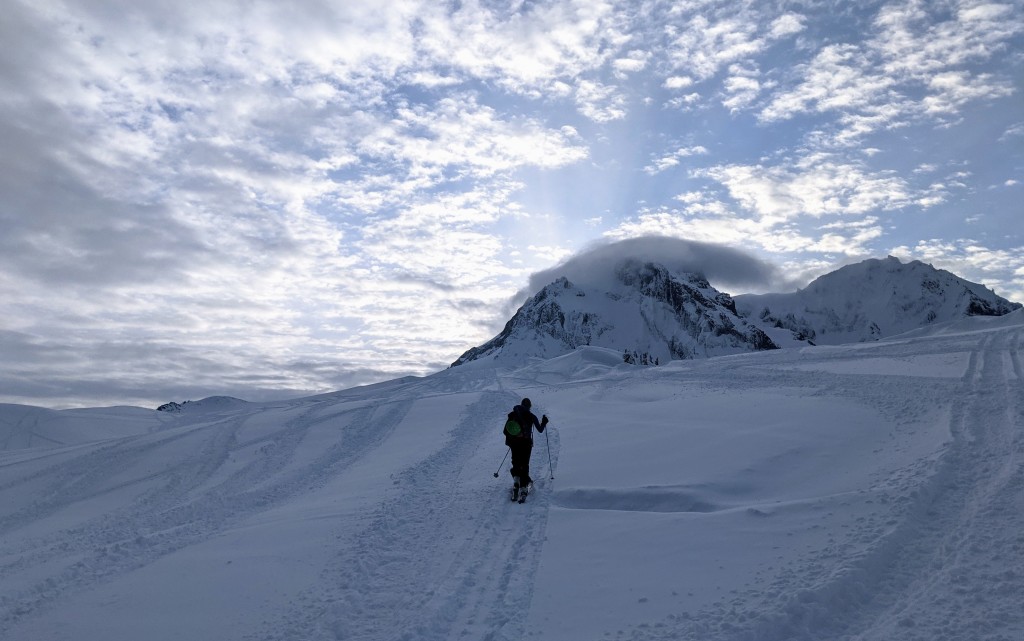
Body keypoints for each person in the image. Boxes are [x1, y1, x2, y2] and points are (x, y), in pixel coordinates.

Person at [505, 397, 548, 495]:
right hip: (526, 443)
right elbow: (540, 430)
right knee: (524, 465)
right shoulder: (531, 416)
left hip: (514, 443)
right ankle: (523, 488)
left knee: (516, 463)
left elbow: (505, 430)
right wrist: (544, 422)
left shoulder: (512, 415)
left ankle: (516, 482)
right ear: (529, 406)